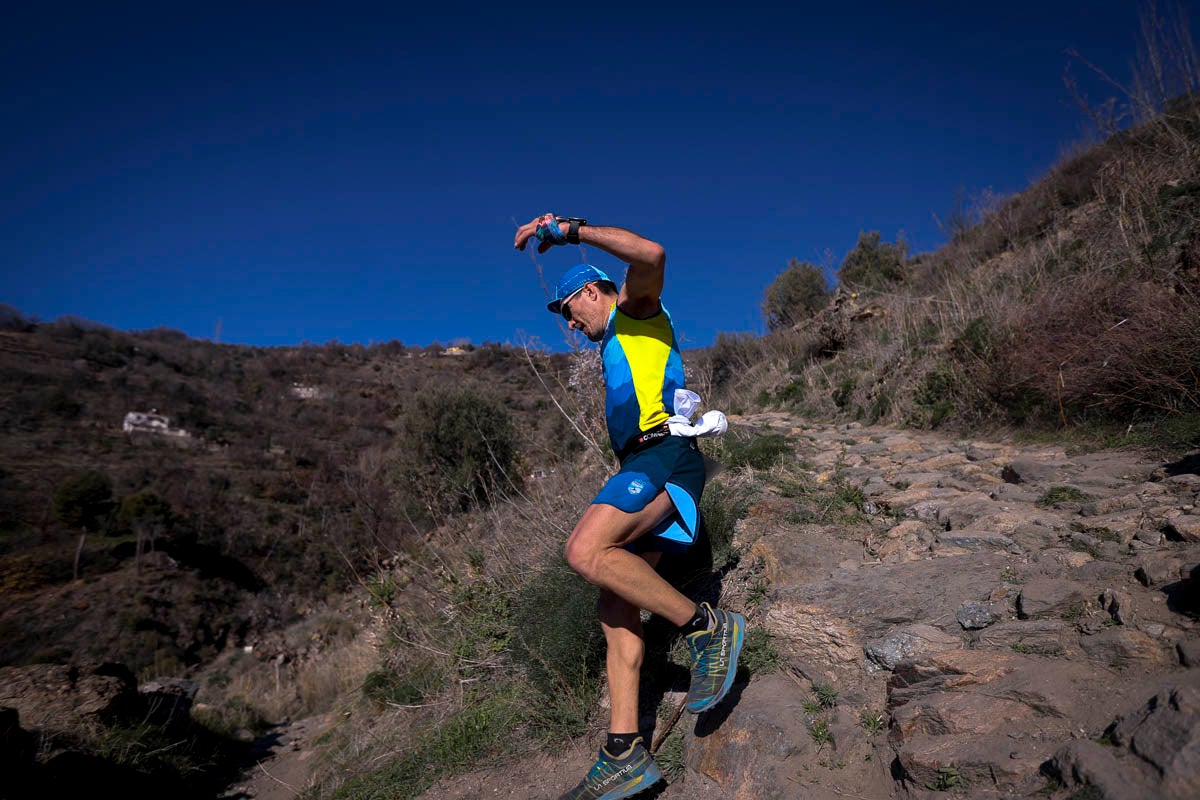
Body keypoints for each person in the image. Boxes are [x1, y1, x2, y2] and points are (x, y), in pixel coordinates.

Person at [513, 213, 745, 800]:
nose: (570, 323)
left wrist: (567, 230)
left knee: (584, 550)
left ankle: (706, 628)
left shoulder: (634, 312)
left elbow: (652, 254)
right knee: (615, 609)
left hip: (663, 455)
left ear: (593, 291)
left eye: (570, 310)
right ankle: (624, 752)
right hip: (641, 466)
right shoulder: (615, 342)